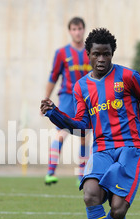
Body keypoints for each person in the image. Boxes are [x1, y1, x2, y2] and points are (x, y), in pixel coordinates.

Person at [41, 28, 140, 219]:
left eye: (106, 54)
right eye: (97, 54)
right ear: (88, 55)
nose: (102, 59)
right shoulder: (81, 86)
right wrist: (53, 113)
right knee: (90, 194)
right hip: (103, 150)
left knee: (118, 209)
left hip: (130, 148)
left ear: (112, 53)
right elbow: (82, 124)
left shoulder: (128, 77)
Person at [44, 17, 92, 186]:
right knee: (62, 132)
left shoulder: (91, 52)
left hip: (85, 99)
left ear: (84, 30)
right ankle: (50, 172)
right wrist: (46, 99)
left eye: (79, 29)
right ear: (70, 31)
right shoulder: (62, 53)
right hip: (66, 97)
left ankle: (82, 174)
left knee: (84, 135)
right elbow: (53, 77)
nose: (77, 32)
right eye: (74, 29)